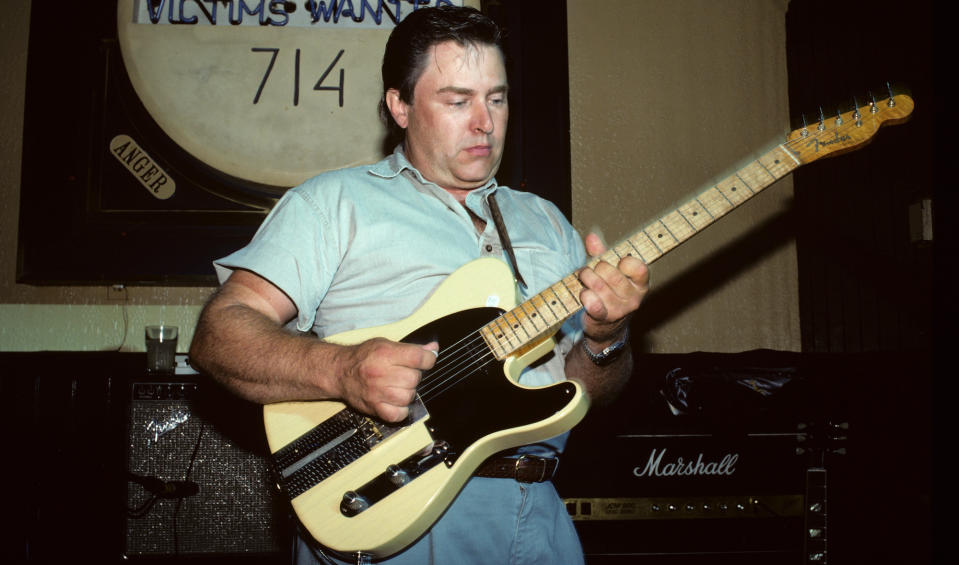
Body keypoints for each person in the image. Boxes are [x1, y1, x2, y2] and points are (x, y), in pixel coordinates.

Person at [189, 5, 648, 564]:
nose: (485, 122)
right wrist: (342, 369)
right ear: (399, 106)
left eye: (496, 98)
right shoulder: (334, 203)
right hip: (394, 513)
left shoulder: (548, 223)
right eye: (458, 101)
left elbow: (587, 393)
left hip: (539, 522)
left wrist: (606, 337)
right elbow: (219, 335)